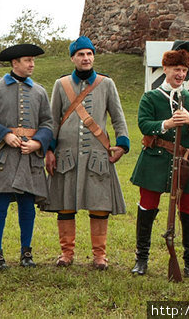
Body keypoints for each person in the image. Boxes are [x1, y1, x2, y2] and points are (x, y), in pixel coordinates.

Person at [43, 36, 130, 270]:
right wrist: (49, 150)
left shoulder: (106, 84)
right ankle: (66, 253)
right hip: (67, 154)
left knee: (99, 205)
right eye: (81, 54)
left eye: (89, 54)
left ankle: (99, 255)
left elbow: (118, 117)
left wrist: (122, 144)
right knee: (65, 205)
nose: (86, 58)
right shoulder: (61, 85)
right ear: (73, 58)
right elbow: (52, 121)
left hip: (96, 155)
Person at [0, 44, 53, 269]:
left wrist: (37, 143)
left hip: (29, 157)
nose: (32, 64)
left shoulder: (40, 91)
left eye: (33, 60)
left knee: (27, 206)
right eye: (27, 60)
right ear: (15, 63)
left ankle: (26, 253)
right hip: (1, 156)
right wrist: (4, 135)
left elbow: (48, 123)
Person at [129, 41, 189, 280]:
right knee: (147, 206)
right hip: (155, 159)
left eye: (184, 70)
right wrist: (166, 124)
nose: (180, 74)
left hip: (185, 162)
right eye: (176, 69)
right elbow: (143, 124)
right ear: (165, 68)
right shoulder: (151, 98)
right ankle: (141, 259)